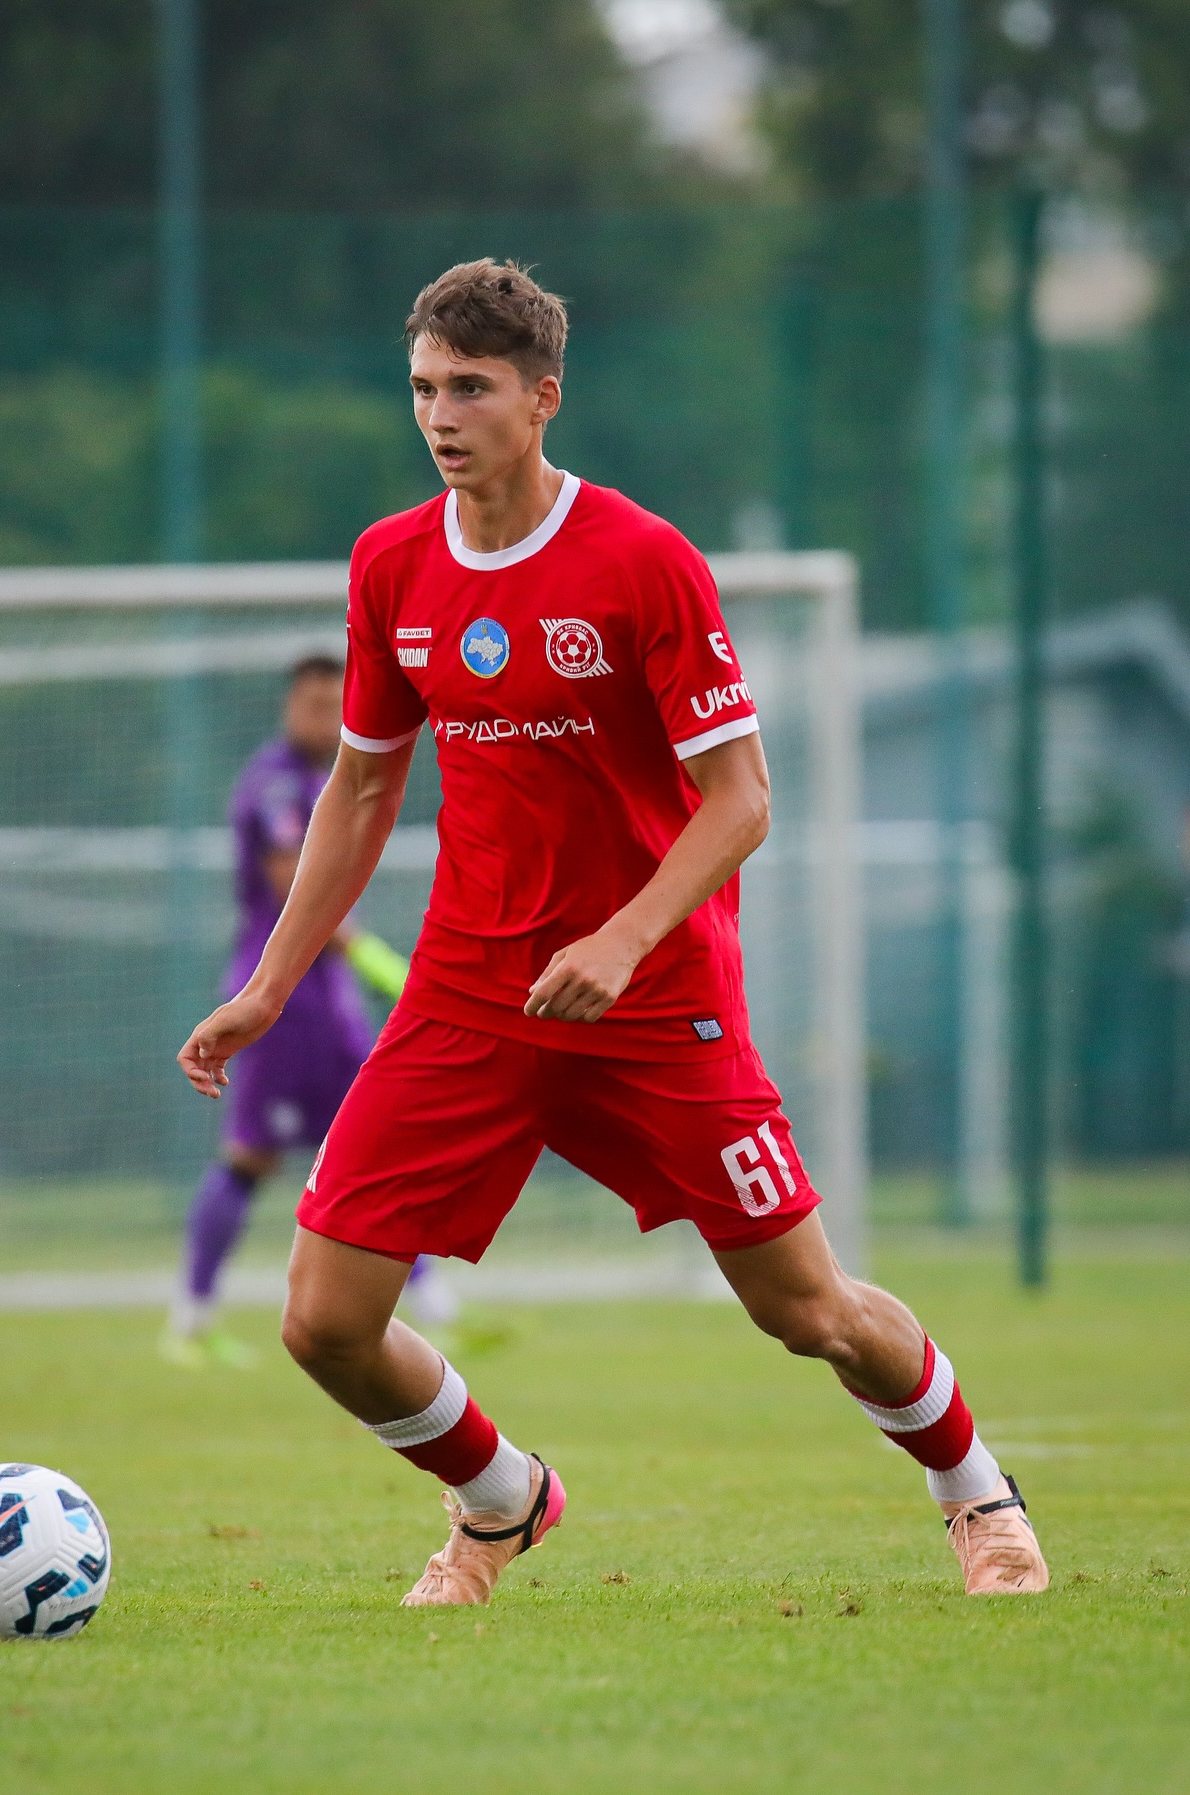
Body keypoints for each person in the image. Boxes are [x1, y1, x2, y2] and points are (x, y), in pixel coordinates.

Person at [178, 260, 1049, 1603]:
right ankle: (500, 1496)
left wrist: (625, 939)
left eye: (471, 387)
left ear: (543, 398)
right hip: (470, 995)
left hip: (656, 1000)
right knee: (323, 1321)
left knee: (807, 1309)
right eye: (423, 387)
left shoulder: (642, 560)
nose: (440, 415)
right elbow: (360, 789)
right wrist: (269, 982)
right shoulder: (391, 563)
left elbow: (742, 798)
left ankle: (976, 1491)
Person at [162, 655, 458, 1368]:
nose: (327, 718)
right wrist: (377, 959)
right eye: (315, 704)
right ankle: (192, 1319)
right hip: (283, 1001)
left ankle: (436, 1305)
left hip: (325, 999)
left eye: (337, 704)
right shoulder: (275, 785)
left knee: (371, 1140)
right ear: (290, 706)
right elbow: (297, 883)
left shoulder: (326, 781)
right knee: (254, 1155)